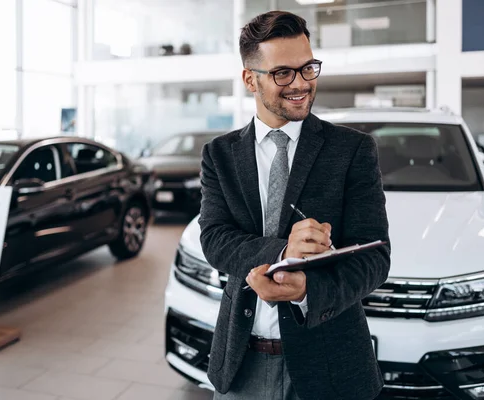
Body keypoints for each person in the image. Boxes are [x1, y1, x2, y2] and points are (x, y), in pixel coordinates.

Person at [198, 10, 391, 400]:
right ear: (250, 79)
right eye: (283, 73)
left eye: (309, 68)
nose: (301, 84)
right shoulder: (219, 155)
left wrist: (306, 291)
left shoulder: (352, 150)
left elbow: (375, 257)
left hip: (331, 363)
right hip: (242, 363)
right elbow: (215, 238)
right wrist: (284, 250)